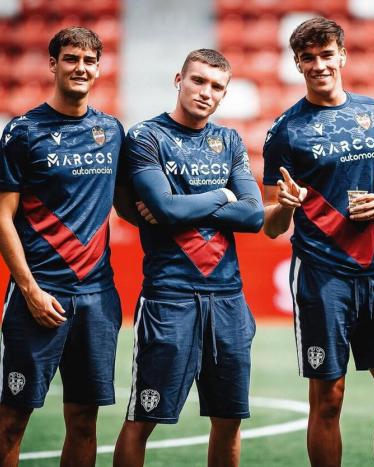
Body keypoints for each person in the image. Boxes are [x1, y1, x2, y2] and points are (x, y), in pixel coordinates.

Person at [262, 17, 374, 467]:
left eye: (326, 55)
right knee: (328, 399)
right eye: (308, 58)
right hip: (321, 275)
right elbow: (272, 225)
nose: (318, 65)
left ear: (342, 56)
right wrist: (288, 206)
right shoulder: (285, 131)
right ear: (297, 63)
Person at [0, 27, 133, 466]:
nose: (80, 68)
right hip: (39, 293)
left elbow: (130, 203)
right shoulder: (23, 131)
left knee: (84, 419)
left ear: (99, 67)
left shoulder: (111, 130)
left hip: (97, 297)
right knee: (13, 419)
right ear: (53, 65)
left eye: (89, 60)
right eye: (70, 59)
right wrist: (29, 290)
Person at [112, 49, 263, 467]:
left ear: (224, 94)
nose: (205, 92)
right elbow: (167, 210)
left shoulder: (228, 140)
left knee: (229, 418)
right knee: (143, 417)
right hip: (169, 297)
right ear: (179, 79)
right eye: (198, 81)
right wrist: (221, 196)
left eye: (216, 86)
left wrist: (177, 204)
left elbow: (253, 216)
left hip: (228, 300)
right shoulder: (146, 137)